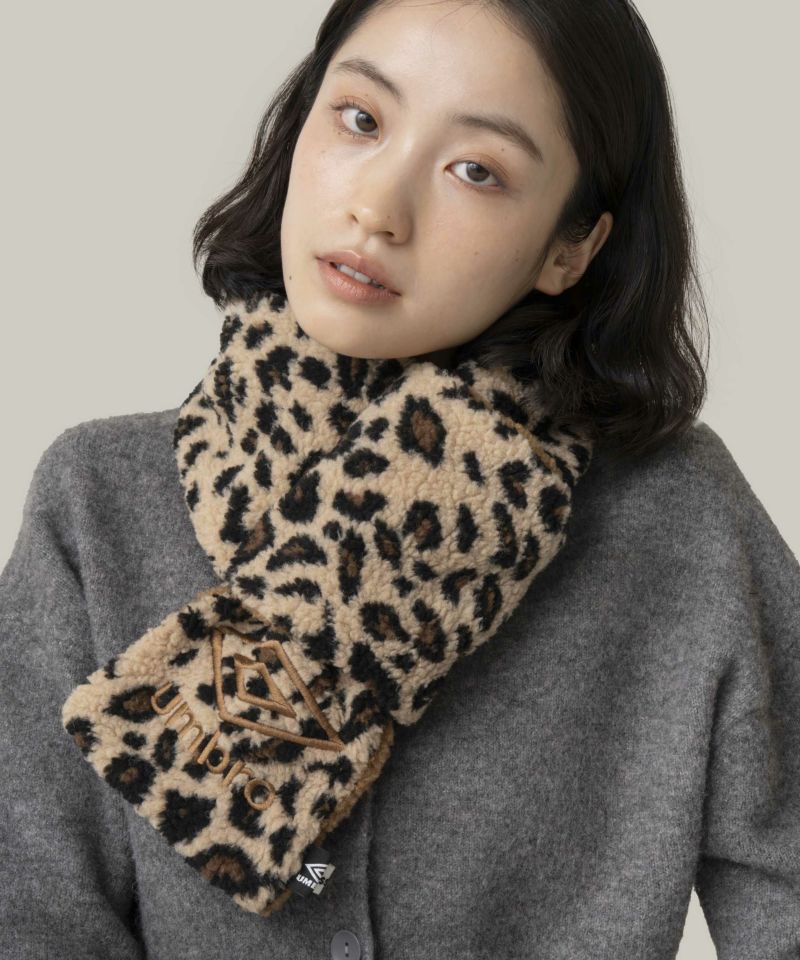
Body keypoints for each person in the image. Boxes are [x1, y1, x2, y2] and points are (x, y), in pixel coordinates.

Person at [1, 1, 797, 958]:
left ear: (570, 247)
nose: (378, 207)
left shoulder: (679, 521)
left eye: (477, 170)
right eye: (361, 118)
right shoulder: (98, 502)